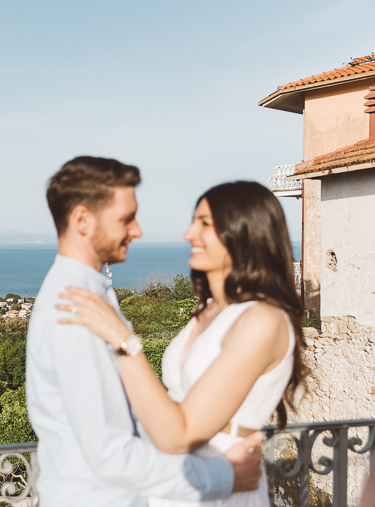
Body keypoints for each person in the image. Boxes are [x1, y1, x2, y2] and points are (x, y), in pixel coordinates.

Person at [27, 157, 263, 507]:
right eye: (126, 218)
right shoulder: (74, 308)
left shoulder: (87, 295)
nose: (137, 231)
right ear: (82, 220)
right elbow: (110, 452)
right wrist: (225, 477)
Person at [56, 180, 309, 507]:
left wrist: (121, 338)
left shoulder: (263, 320)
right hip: (176, 481)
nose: (189, 233)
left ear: (244, 230)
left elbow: (182, 434)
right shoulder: (207, 310)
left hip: (221, 484)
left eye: (204, 223)